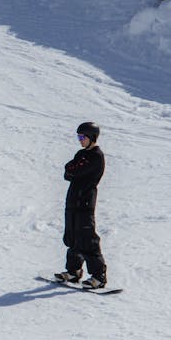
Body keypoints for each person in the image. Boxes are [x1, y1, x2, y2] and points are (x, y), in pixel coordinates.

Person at [54, 122, 108, 289]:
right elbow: (68, 171)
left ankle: (99, 276)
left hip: (85, 201)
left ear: (91, 137)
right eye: (78, 137)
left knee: (87, 238)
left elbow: (75, 171)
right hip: (73, 200)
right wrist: (73, 170)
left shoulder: (96, 156)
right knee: (72, 236)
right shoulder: (81, 154)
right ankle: (73, 271)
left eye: (82, 137)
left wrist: (74, 170)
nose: (79, 140)